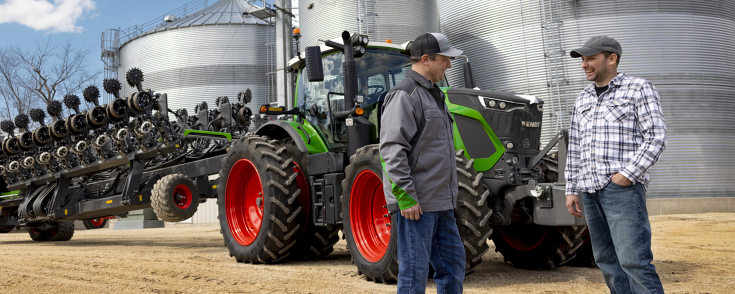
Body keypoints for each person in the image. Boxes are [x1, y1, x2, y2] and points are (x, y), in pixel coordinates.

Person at [565, 35, 667, 294]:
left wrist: (626, 176)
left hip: (621, 189)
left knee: (635, 262)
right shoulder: (583, 99)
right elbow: (575, 146)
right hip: (589, 190)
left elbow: (656, 137)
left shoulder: (638, 88)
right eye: (583, 60)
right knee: (607, 261)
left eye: (590, 59)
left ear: (612, 59)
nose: (584, 65)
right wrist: (571, 188)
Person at [379, 33, 465, 294]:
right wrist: (405, 197)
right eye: (445, 60)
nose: (449, 65)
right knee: (414, 274)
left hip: (441, 202)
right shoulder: (405, 95)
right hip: (416, 204)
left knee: (453, 268)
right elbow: (392, 150)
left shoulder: (435, 95)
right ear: (426, 60)